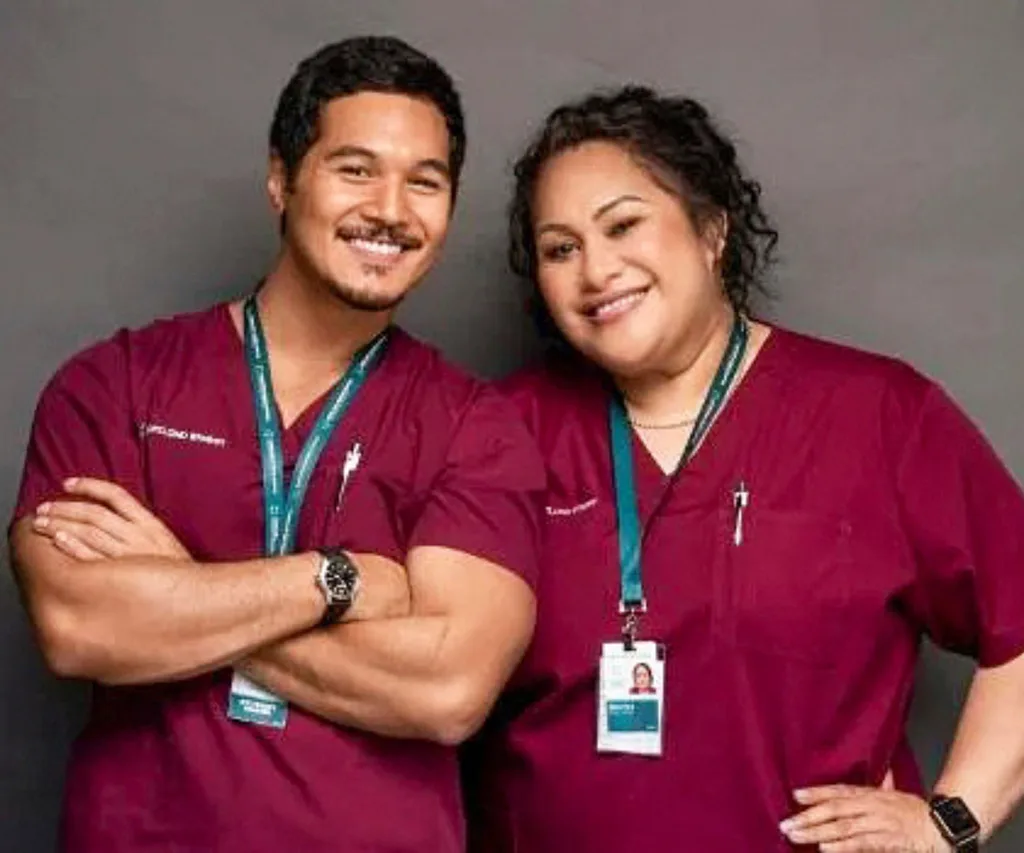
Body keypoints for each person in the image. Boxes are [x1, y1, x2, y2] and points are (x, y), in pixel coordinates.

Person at [8, 36, 543, 853]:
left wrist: (181, 594)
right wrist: (339, 579)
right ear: (280, 179)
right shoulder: (117, 383)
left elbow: (447, 686)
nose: (392, 211)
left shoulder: (477, 426)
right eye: (355, 169)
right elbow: (81, 623)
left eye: (425, 182)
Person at [464, 85, 1024, 852]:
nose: (595, 270)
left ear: (712, 230)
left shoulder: (880, 414)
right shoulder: (499, 432)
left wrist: (950, 821)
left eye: (623, 224)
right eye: (561, 248)